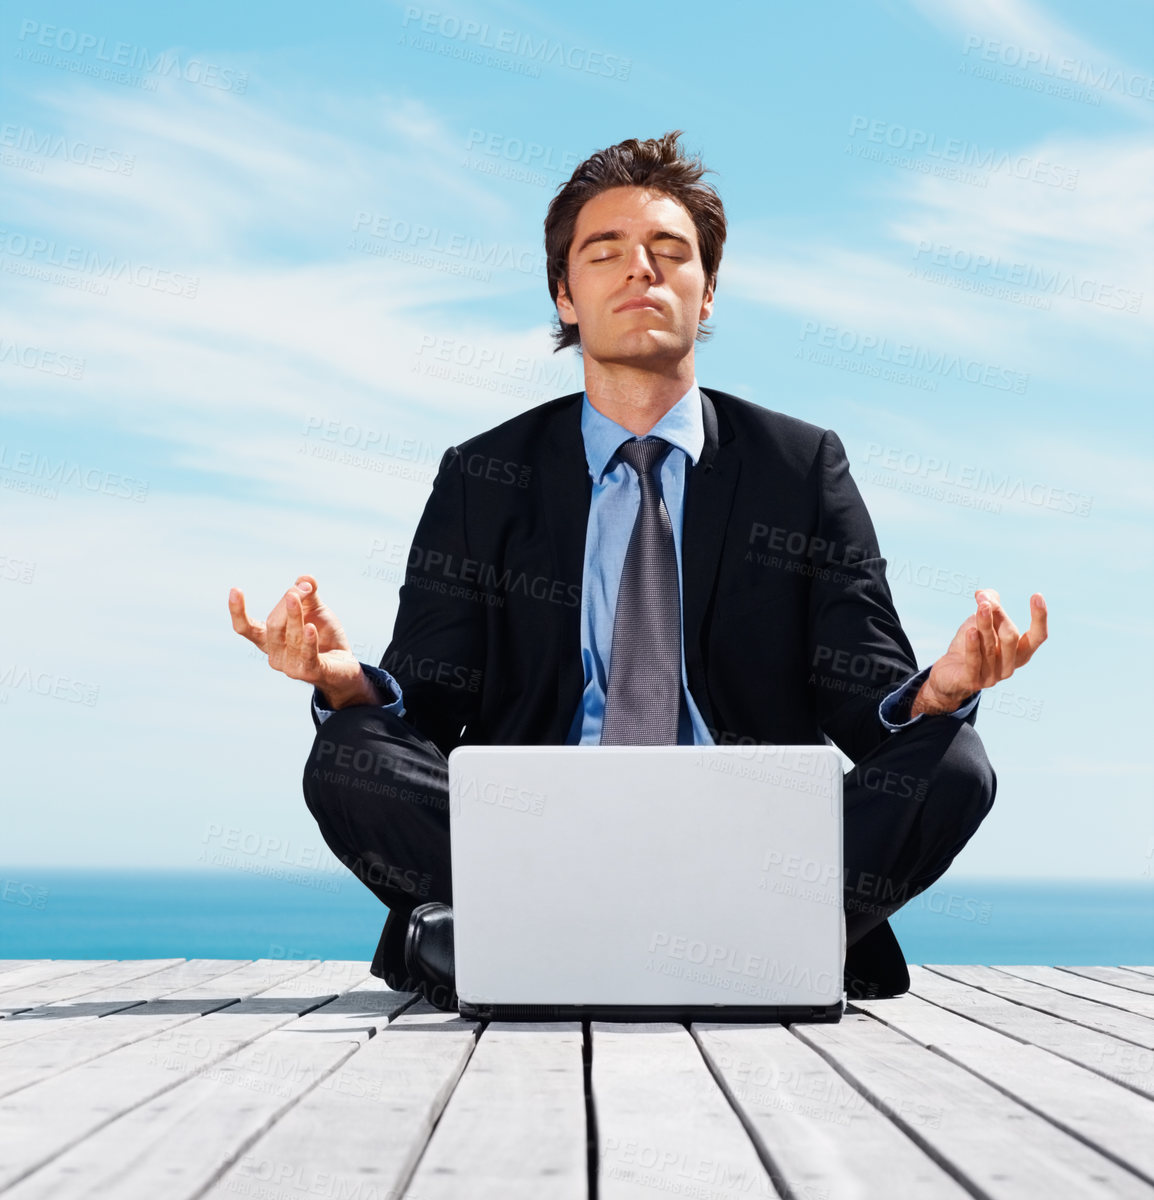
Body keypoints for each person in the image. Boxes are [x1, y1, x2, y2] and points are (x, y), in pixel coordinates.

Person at [229, 131, 1047, 1009]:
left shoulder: (799, 467)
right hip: (536, 831)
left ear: (706, 294)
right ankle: (703, 949)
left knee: (953, 759)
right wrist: (348, 684)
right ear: (564, 295)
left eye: (669, 254)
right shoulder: (482, 475)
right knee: (348, 755)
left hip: (747, 840)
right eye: (605, 252)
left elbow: (864, 693)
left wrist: (940, 692)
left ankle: (540, 945)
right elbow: (430, 703)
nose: (640, 271)